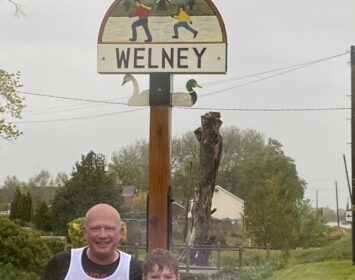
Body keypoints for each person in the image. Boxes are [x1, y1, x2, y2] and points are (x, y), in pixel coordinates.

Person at [43, 203, 142, 280]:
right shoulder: (62, 263)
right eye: (95, 228)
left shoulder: (136, 270)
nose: (102, 235)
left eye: (109, 228)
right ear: (85, 232)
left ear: (120, 233)